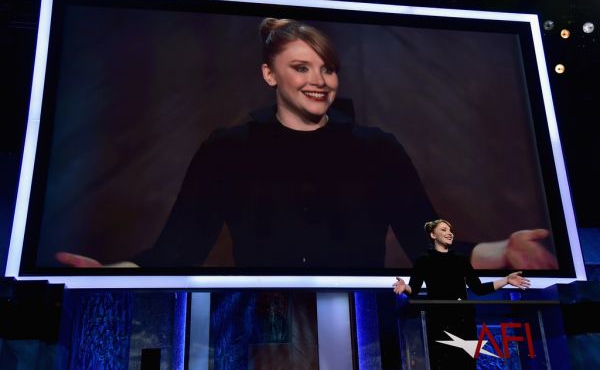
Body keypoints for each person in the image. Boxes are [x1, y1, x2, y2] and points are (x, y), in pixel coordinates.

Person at [55, 18, 558, 270]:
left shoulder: (377, 149)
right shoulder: (228, 150)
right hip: (258, 330)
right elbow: (175, 252)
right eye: (301, 67)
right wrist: (109, 274)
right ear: (269, 74)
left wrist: (505, 252)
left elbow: (429, 247)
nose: (319, 80)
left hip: (366, 329)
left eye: (327, 68)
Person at [392, 219, 530, 369]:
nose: (449, 233)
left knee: (466, 364)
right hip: (439, 322)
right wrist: (405, 287)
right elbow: (415, 290)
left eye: (450, 230)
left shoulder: (461, 260)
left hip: (463, 321)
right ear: (433, 234)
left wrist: (506, 280)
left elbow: (478, 288)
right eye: (444, 230)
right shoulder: (423, 261)